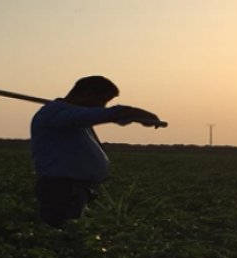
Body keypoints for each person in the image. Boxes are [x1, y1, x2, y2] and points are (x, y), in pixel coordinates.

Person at [30, 75, 166, 227]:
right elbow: (99, 115)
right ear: (86, 94)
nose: (102, 107)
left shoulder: (71, 115)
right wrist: (131, 113)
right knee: (63, 235)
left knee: (73, 232)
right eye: (102, 101)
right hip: (62, 188)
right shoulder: (54, 114)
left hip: (75, 189)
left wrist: (129, 116)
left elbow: (96, 115)